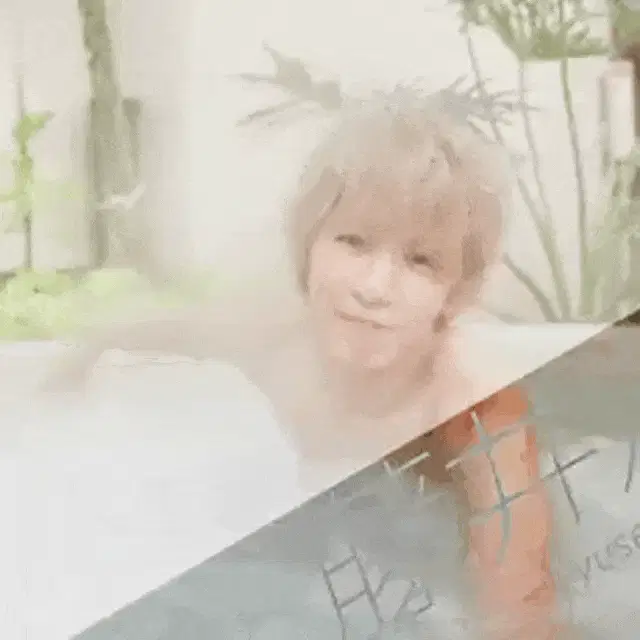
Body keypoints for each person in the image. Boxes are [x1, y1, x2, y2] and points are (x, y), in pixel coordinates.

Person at [44, 89, 561, 638]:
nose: (374, 288)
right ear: (308, 243)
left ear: (457, 292)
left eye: (420, 261)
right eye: (354, 242)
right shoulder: (267, 338)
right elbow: (112, 344)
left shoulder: (478, 410)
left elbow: (521, 611)